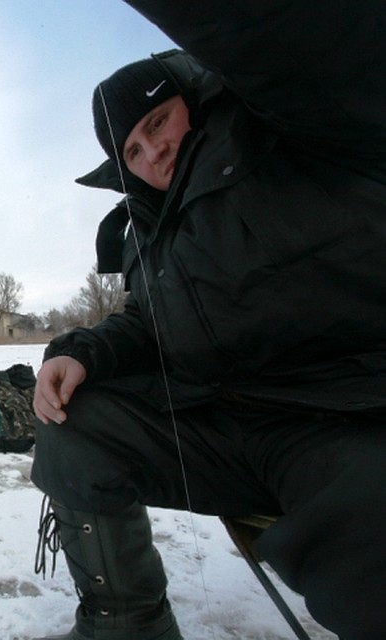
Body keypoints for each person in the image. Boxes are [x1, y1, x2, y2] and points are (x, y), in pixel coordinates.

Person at [30, 2, 386, 639]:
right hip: (220, 424)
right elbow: (148, 323)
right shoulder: (150, 229)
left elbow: (289, 38)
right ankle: (127, 624)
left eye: (158, 122)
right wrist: (81, 350)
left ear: (196, 92)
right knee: (74, 425)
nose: (151, 154)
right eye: (132, 150)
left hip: (347, 417)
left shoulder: (303, 128)